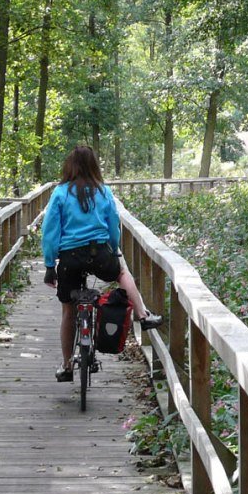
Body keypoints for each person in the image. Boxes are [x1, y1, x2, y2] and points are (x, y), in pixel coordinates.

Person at [42, 145, 164, 383]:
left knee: (68, 310)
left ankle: (67, 366)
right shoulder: (103, 191)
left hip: (69, 258)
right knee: (121, 273)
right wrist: (114, 250)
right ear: (94, 166)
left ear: (69, 166)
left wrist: (49, 265)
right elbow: (113, 225)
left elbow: (50, 232)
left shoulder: (60, 193)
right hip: (99, 253)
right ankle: (142, 314)